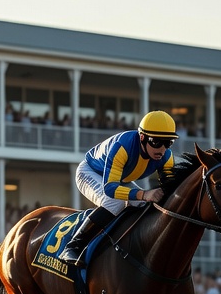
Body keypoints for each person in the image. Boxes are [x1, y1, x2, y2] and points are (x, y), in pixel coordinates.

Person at [60, 110, 177, 265]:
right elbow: (110, 188)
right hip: (90, 172)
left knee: (143, 205)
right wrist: (143, 193)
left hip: (120, 178)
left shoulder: (166, 157)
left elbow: (170, 190)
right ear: (142, 137)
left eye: (168, 142)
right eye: (156, 142)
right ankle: (73, 246)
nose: (162, 149)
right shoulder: (123, 146)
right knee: (116, 202)